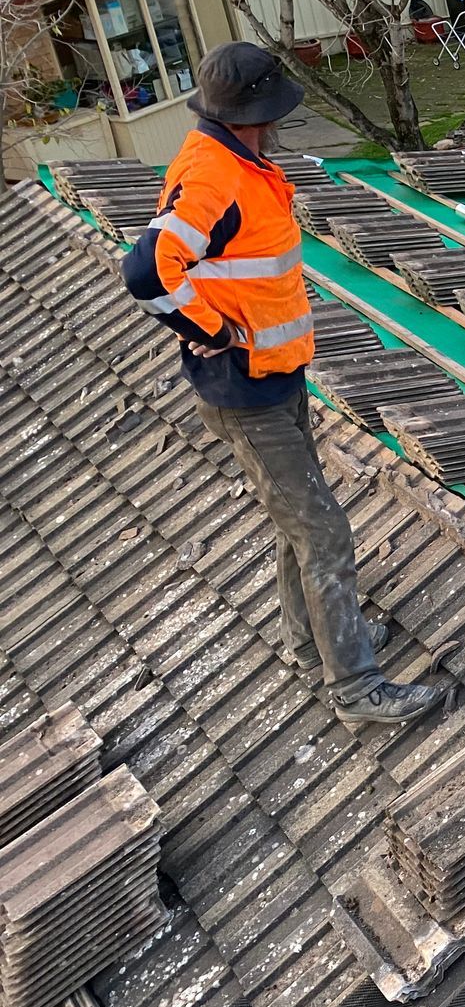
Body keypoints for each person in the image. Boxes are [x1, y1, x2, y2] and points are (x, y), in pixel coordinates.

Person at [122, 42, 447, 726]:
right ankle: (356, 689)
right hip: (245, 389)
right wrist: (211, 331)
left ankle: (313, 646)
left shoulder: (233, 159)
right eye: (270, 116)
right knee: (323, 531)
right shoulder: (214, 174)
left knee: (296, 524)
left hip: (274, 373)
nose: (276, 127)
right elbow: (148, 272)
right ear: (249, 115)